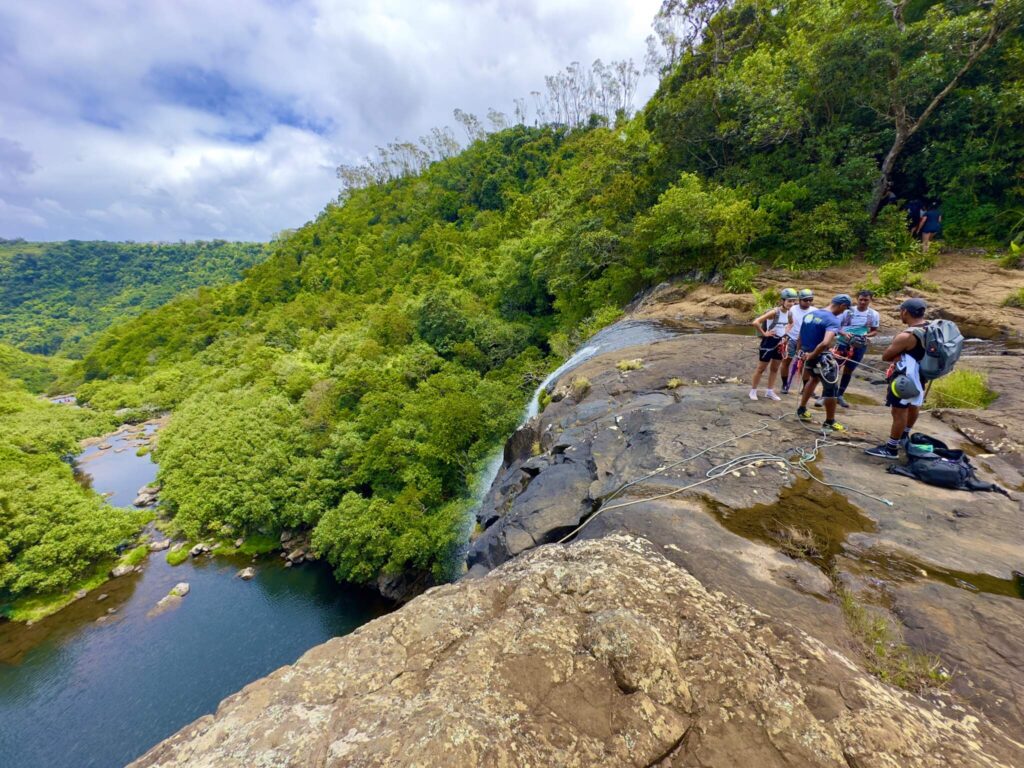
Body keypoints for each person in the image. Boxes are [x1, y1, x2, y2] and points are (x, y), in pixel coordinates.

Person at [865, 298, 928, 459]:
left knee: (899, 411)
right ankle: (904, 436)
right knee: (914, 405)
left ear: (905, 312)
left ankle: (891, 449)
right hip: (921, 375)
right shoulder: (931, 328)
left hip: (905, 378)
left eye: (901, 311)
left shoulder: (906, 335)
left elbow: (886, 356)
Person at [795, 295, 851, 431]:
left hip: (807, 354)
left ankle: (801, 410)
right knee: (831, 389)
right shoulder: (832, 320)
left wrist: (800, 353)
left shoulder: (811, 315)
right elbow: (825, 342)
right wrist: (814, 354)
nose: (843, 312)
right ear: (842, 305)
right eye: (844, 309)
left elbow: (800, 336)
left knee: (813, 379)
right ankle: (829, 422)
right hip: (820, 357)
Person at [834, 290, 880, 408]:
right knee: (835, 367)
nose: (863, 302)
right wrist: (844, 334)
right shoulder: (847, 311)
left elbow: (874, 331)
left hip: (860, 344)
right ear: (857, 299)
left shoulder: (874, 314)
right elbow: (835, 326)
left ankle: (840, 395)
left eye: (866, 300)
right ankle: (829, 394)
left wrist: (867, 335)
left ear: (870, 300)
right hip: (843, 343)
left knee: (849, 369)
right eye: (861, 299)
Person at [749, 288, 797, 401]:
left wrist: (785, 332)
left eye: (793, 301)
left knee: (775, 368)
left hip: (780, 343)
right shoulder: (774, 312)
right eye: (789, 301)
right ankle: (753, 391)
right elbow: (756, 322)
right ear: (782, 301)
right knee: (761, 368)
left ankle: (769, 391)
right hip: (769, 342)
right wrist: (764, 334)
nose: (791, 303)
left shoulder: (789, 313)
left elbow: (791, 323)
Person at [782, 288, 816, 394]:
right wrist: (784, 335)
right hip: (791, 338)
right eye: (806, 300)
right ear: (800, 300)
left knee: (805, 364)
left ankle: (805, 387)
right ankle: (784, 384)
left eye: (810, 300)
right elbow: (784, 322)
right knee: (786, 362)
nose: (808, 302)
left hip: (806, 341)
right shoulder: (792, 309)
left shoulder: (815, 311)